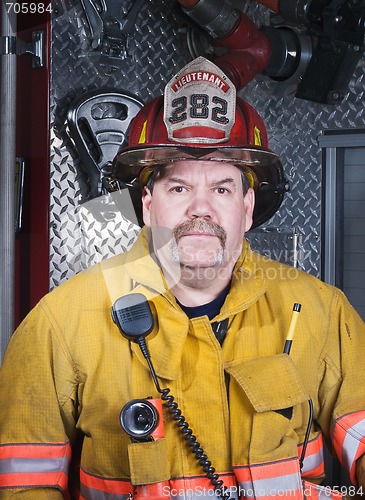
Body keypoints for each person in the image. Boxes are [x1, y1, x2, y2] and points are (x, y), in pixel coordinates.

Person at [1, 56, 365, 500]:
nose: (201, 208)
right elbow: (24, 486)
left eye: (222, 188)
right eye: (179, 187)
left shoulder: (321, 312)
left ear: (247, 209)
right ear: (148, 205)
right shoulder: (59, 324)